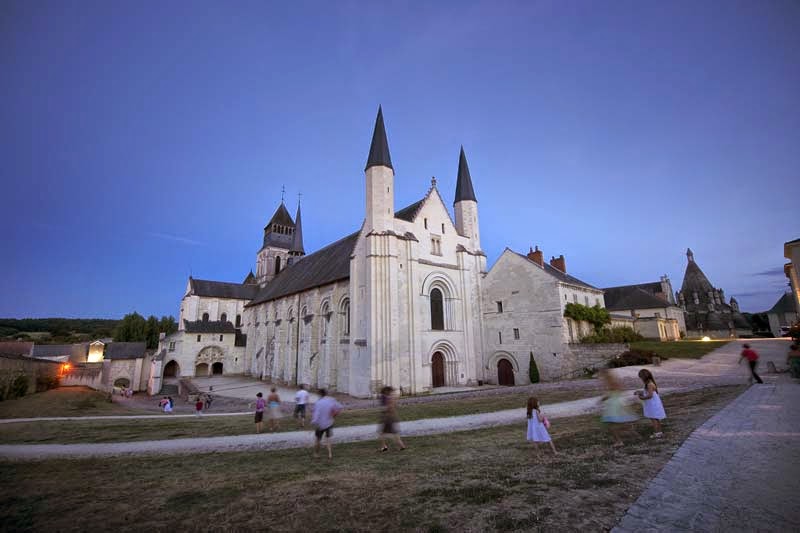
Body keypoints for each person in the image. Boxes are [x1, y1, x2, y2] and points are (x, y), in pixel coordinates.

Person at [599, 369, 637, 447]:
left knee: (611, 424)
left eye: (602, 376)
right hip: (614, 403)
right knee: (614, 423)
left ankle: (619, 440)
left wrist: (604, 398)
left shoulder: (611, 382)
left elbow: (613, 393)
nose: (601, 378)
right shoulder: (611, 382)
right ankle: (627, 429)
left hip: (614, 404)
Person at [311, 388, 343, 459]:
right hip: (329, 422)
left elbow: (316, 414)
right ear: (326, 393)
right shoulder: (331, 400)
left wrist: (313, 421)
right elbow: (340, 407)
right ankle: (330, 454)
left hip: (320, 424)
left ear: (319, 394)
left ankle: (316, 453)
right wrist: (334, 415)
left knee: (318, 439)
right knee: (328, 439)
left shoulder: (318, 403)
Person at [635, 369, 666, 438]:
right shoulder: (649, 383)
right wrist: (640, 392)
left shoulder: (649, 384)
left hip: (652, 404)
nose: (641, 379)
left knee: (653, 418)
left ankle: (656, 433)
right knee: (656, 418)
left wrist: (642, 398)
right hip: (653, 403)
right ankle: (659, 432)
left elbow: (650, 395)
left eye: (641, 377)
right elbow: (647, 392)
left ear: (644, 377)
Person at [378, 386, 406, 452]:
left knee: (392, 433)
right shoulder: (393, 398)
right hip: (392, 417)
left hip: (388, 418)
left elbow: (388, 408)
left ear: (386, 392)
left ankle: (402, 446)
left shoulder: (389, 399)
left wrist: (384, 413)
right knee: (386, 433)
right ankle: (384, 446)